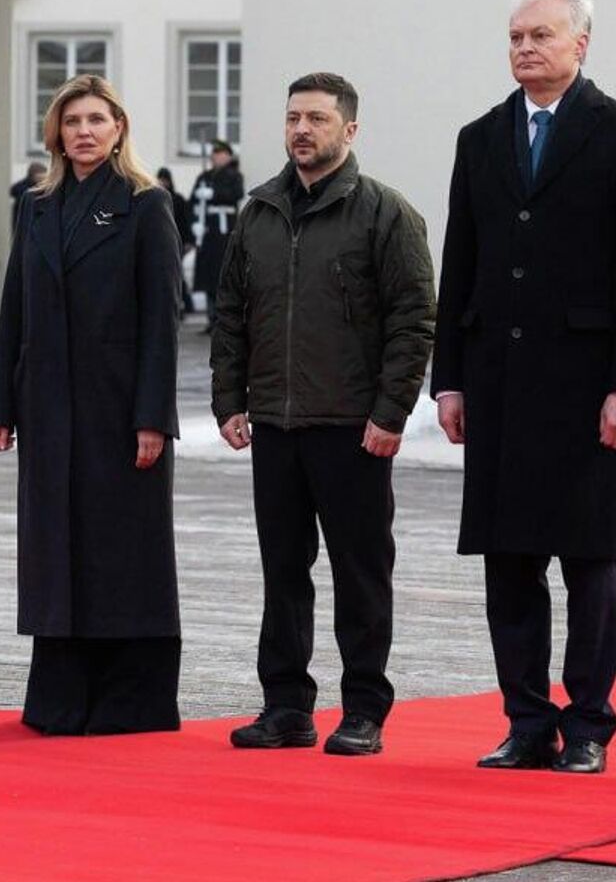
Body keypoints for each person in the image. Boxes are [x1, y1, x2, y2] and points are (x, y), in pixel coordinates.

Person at [432, 0, 616, 776]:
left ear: (581, 44)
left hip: (585, 386)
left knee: (586, 560)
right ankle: (527, 721)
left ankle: (591, 723)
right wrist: (451, 380)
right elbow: (459, 263)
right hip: (498, 380)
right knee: (509, 559)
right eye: (515, 37)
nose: (525, 48)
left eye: (541, 35)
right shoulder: (480, 137)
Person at [212, 72, 436, 757]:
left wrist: (391, 412)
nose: (302, 129)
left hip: (352, 429)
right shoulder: (257, 214)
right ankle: (286, 706)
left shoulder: (385, 214)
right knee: (283, 570)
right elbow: (229, 316)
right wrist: (229, 400)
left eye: (316, 118)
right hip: (275, 426)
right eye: (293, 118)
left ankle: (364, 708)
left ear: (350, 129)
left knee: (360, 572)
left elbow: (414, 320)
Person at [0, 74, 184, 736]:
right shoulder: (36, 206)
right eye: (73, 122)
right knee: (56, 547)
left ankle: (130, 700)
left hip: (118, 410)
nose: (85, 131)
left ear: (119, 127)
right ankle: (61, 697)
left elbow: (163, 320)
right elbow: (14, 306)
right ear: (56, 133)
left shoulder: (144, 205)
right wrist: (0, 403)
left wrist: (153, 417)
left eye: (97, 119)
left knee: (121, 550)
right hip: (47, 406)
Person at [190, 140, 245, 325]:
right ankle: (210, 316)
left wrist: (213, 194)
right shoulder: (204, 176)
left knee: (221, 272)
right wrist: (195, 224)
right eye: (215, 153)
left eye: (220, 153)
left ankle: (222, 317)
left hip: (224, 229)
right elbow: (193, 202)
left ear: (228, 156)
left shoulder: (234, 175)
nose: (216, 157)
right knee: (207, 274)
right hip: (207, 229)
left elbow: (236, 194)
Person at [157, 167, 195, 313]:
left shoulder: (177, 200)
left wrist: (188, 241)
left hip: (176, 240)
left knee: (175, 273)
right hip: (164, 241)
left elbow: (185, 221)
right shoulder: (156, 198)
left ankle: (184, 304)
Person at [10, 160, 47, 225]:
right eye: (39, 177)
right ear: (33, 176)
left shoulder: (43, 188)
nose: (41, 180)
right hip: (25, 222)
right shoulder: (23, 189)